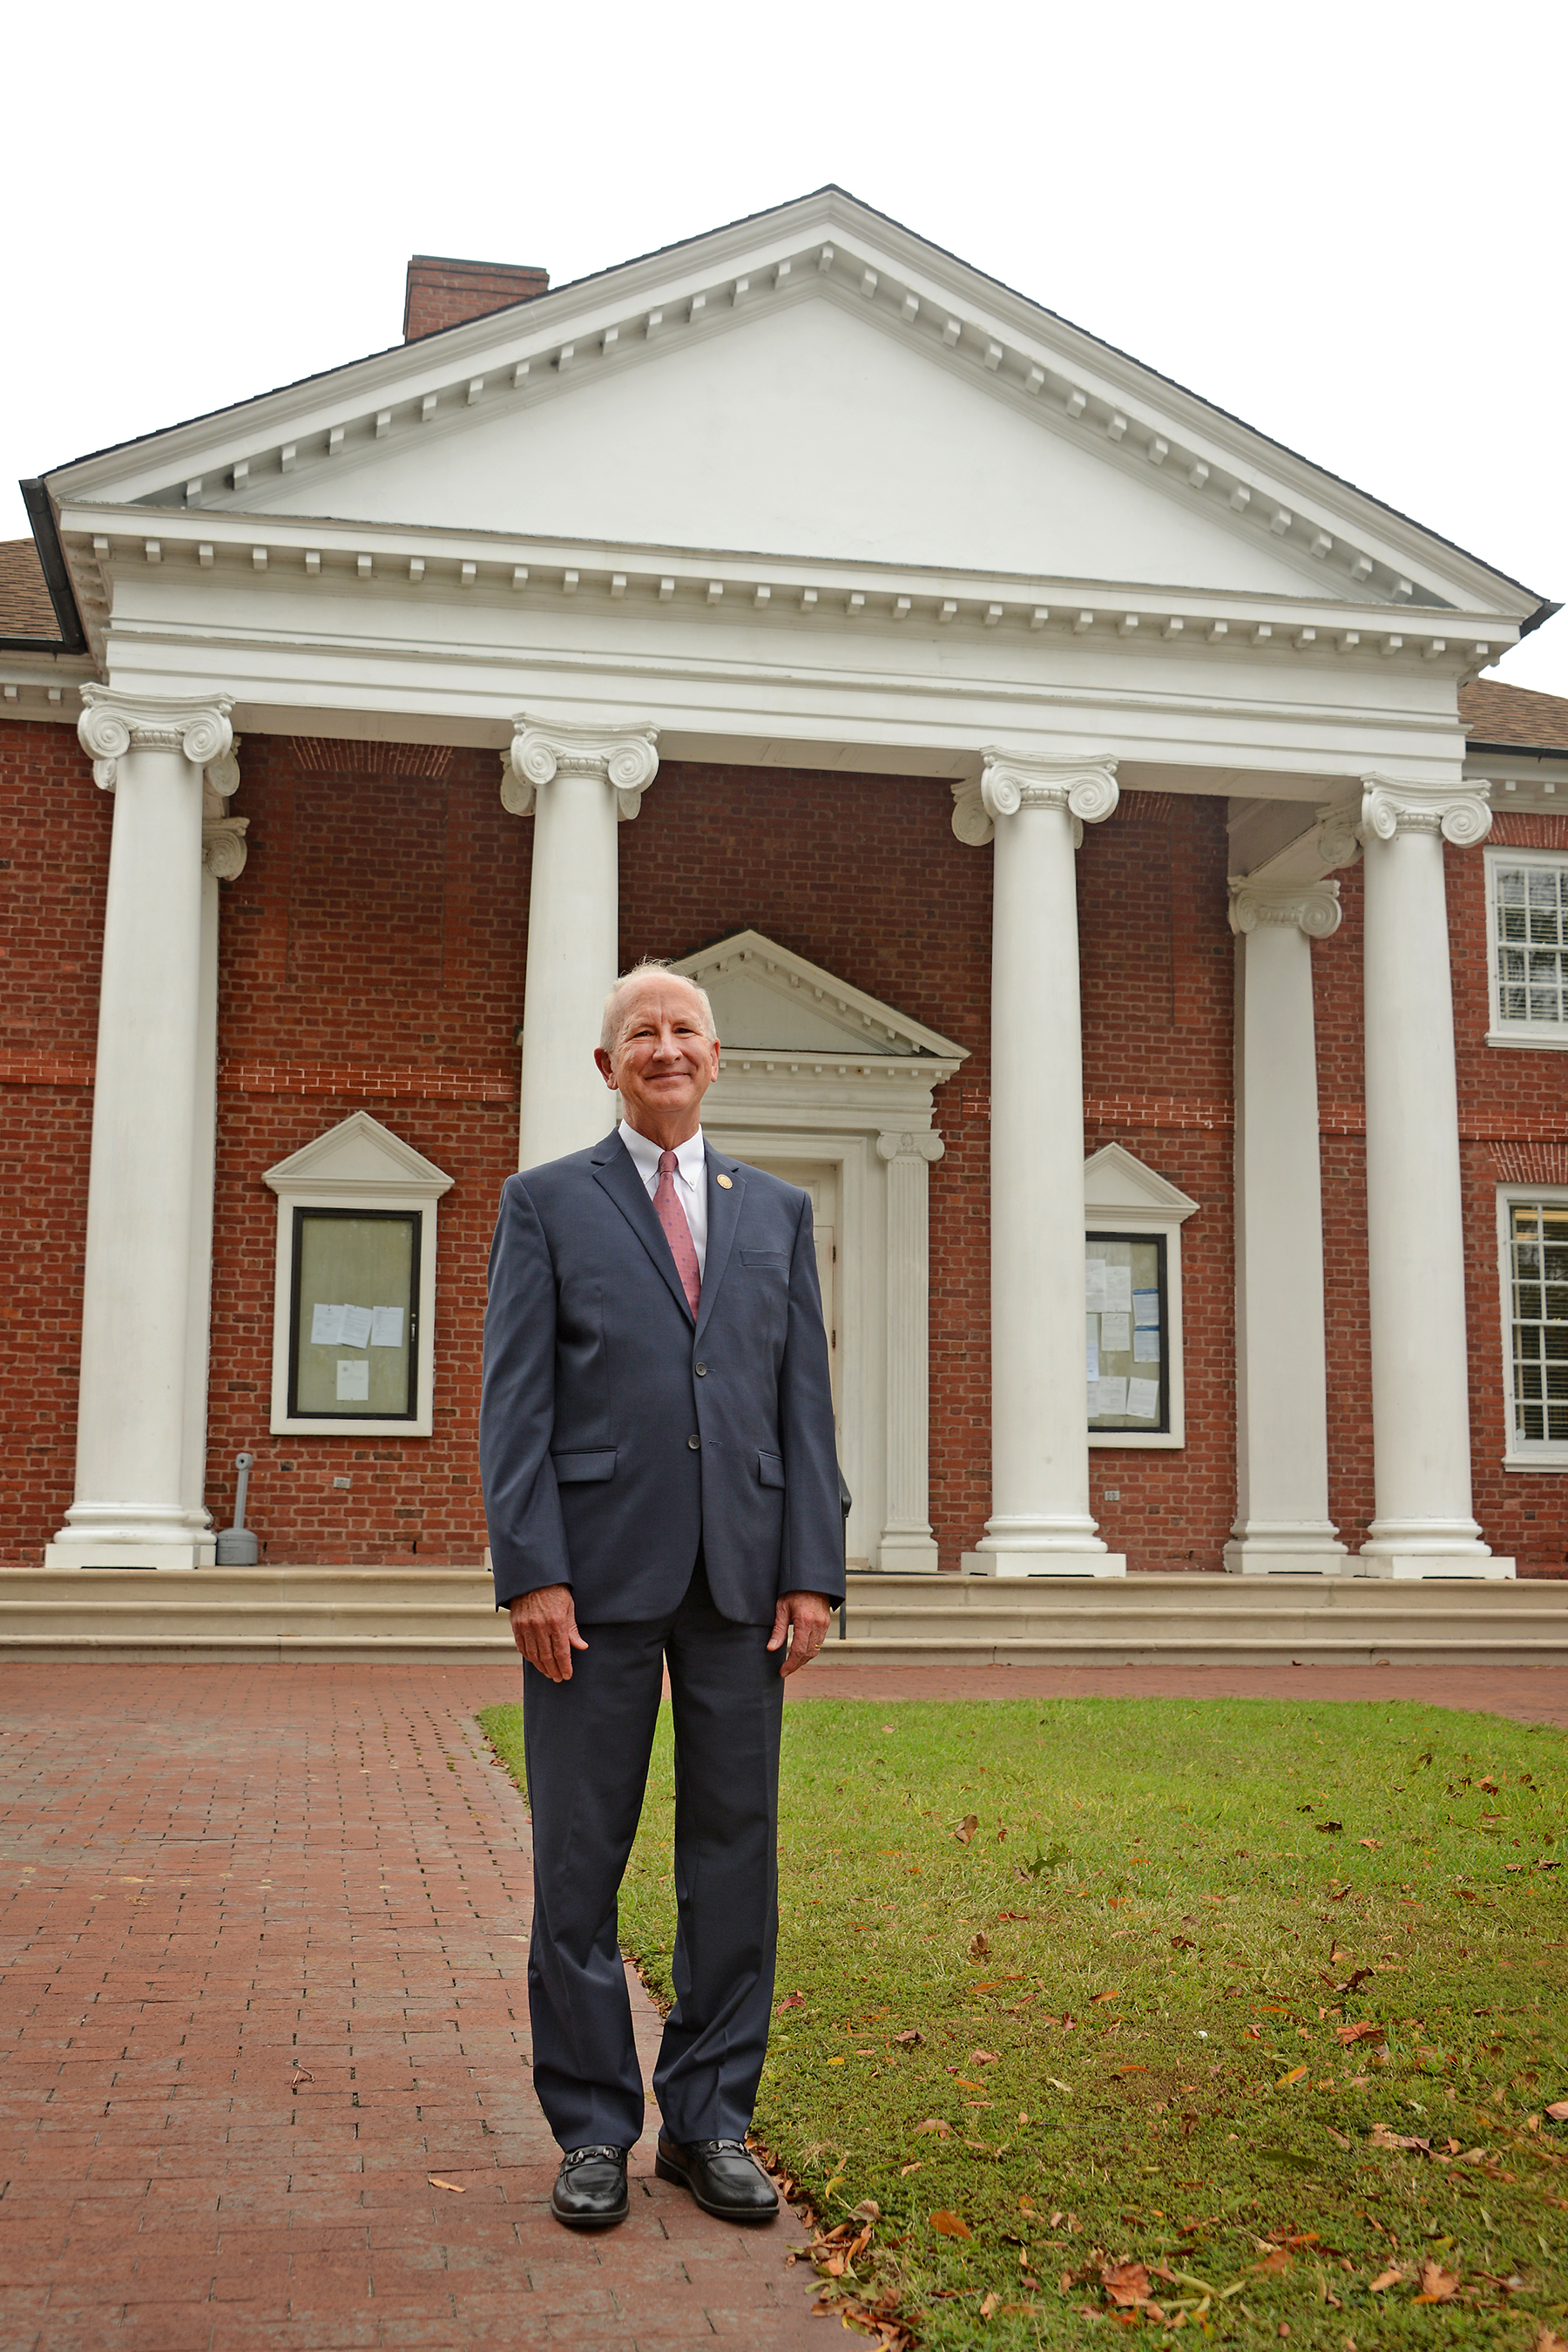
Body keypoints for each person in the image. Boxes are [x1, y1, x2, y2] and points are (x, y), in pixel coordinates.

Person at [480, 961, 843, 2231]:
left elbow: (803, 1405)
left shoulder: (778, 1212)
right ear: (607, 1065)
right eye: (642, 1032)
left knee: (734, 1858)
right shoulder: (545, 1205)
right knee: (579, 1861)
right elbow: (513, 1404)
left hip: (743, 1582)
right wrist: (529, 1568)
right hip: (591, 1583)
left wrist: (812, 1568)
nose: (666, 1047)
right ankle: (592, 2130)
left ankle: (709, 2122)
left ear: (717, 1054)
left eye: (685, 1029)